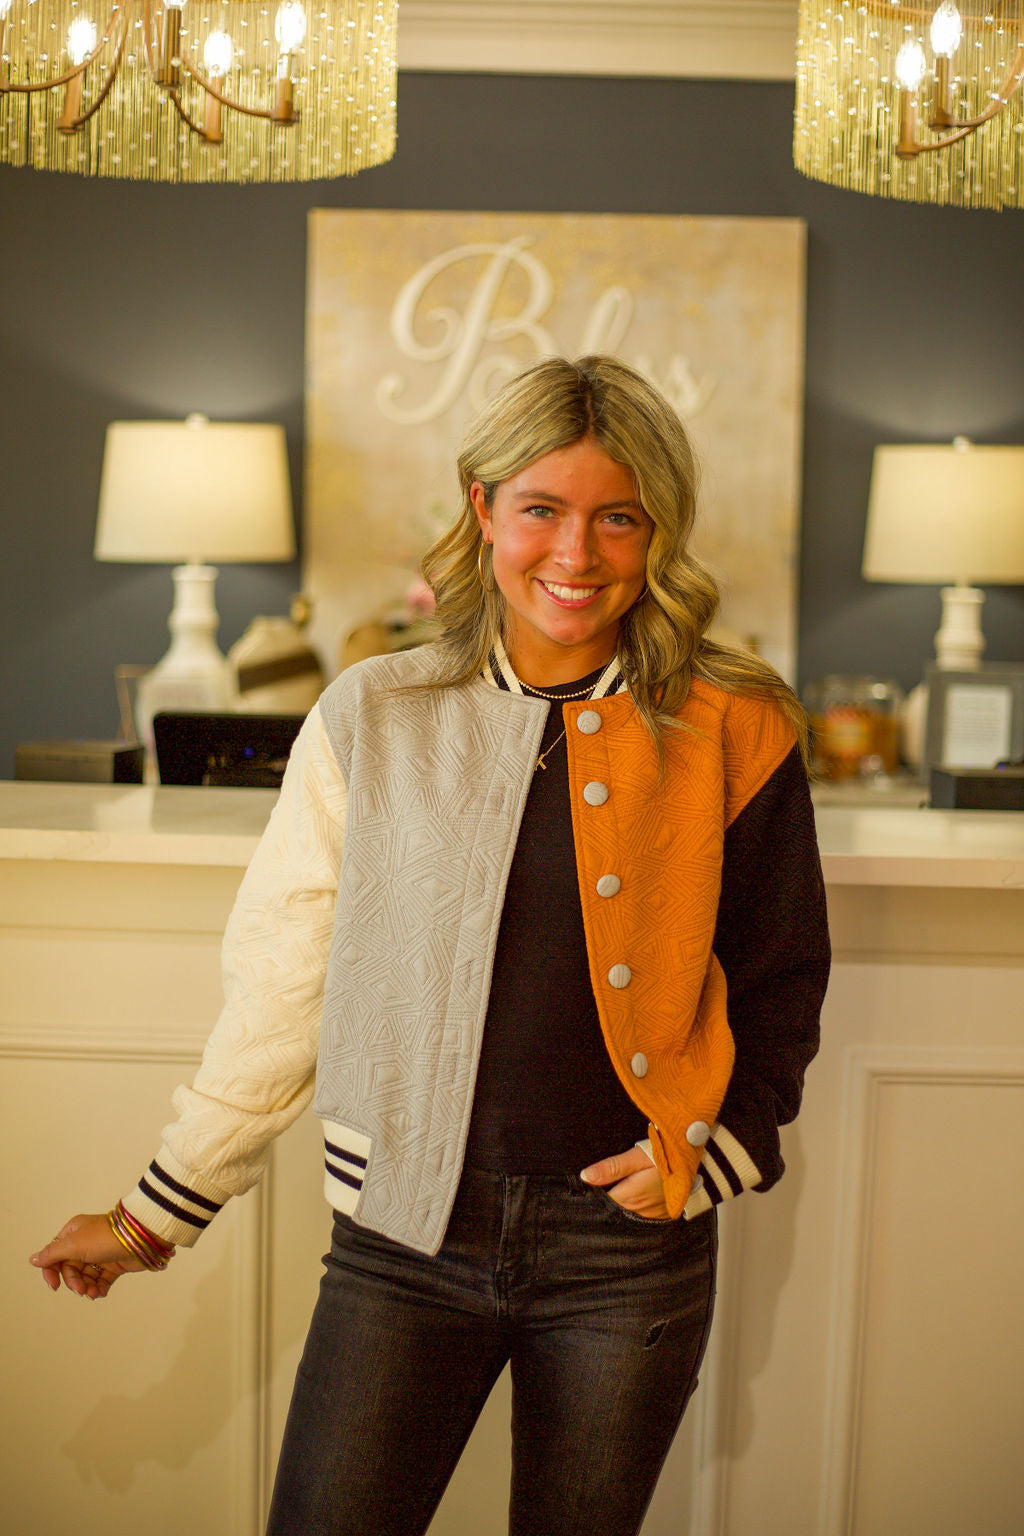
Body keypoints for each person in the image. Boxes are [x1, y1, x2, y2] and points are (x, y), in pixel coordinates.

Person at [30, 355, 830, 1536]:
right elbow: (282, 984)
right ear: (482, 508)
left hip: (627, 1256)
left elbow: (780, 979)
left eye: (618, 517)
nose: (577, 553)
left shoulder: (736, 723)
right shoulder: (373, 711)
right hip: (402, 1241)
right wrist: (158, 1215)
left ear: (659, 529)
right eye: (542, 510)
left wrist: (723, 1149)